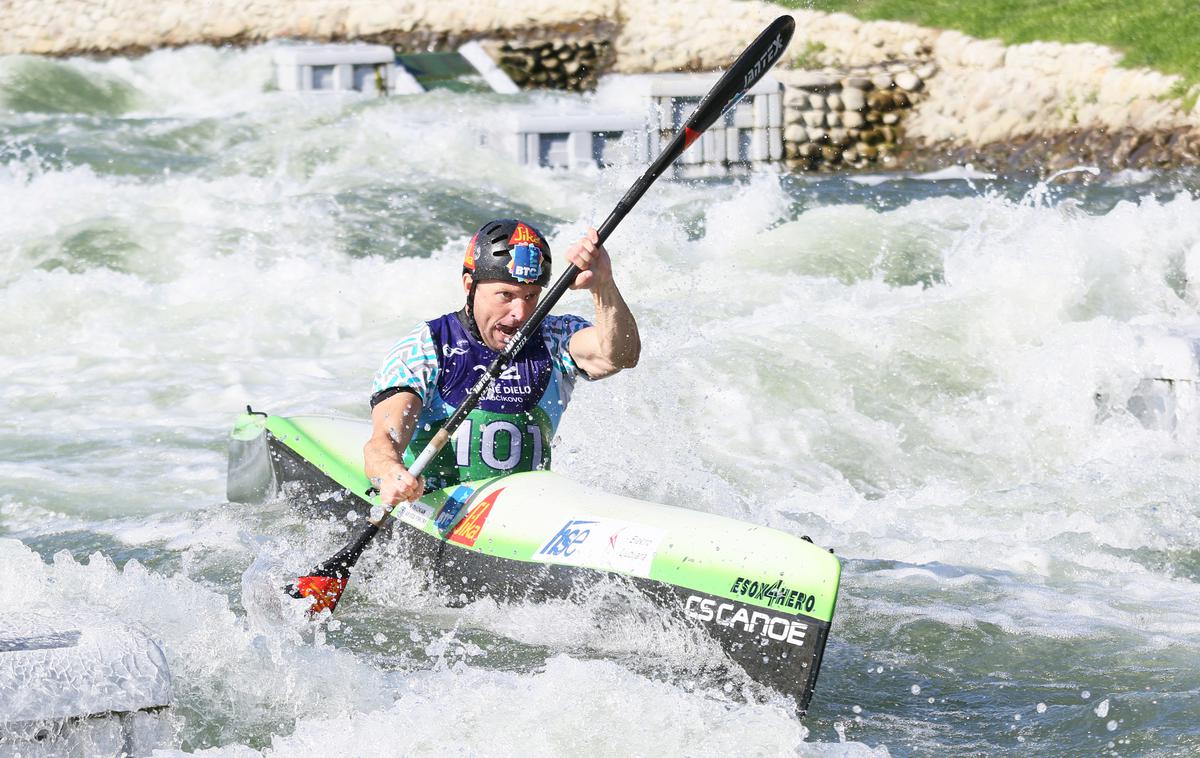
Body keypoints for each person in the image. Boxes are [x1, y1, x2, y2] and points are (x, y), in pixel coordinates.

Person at [365, 218, 640, 507]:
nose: (520, 313)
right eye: (505, 295)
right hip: (436, 509)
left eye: (531, 296)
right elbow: (383, 441)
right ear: (469, 286)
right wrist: (391, 474)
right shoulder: (426, 346)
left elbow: (620, 356)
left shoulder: (555, 337)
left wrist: (603, 285)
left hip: (523, 515)